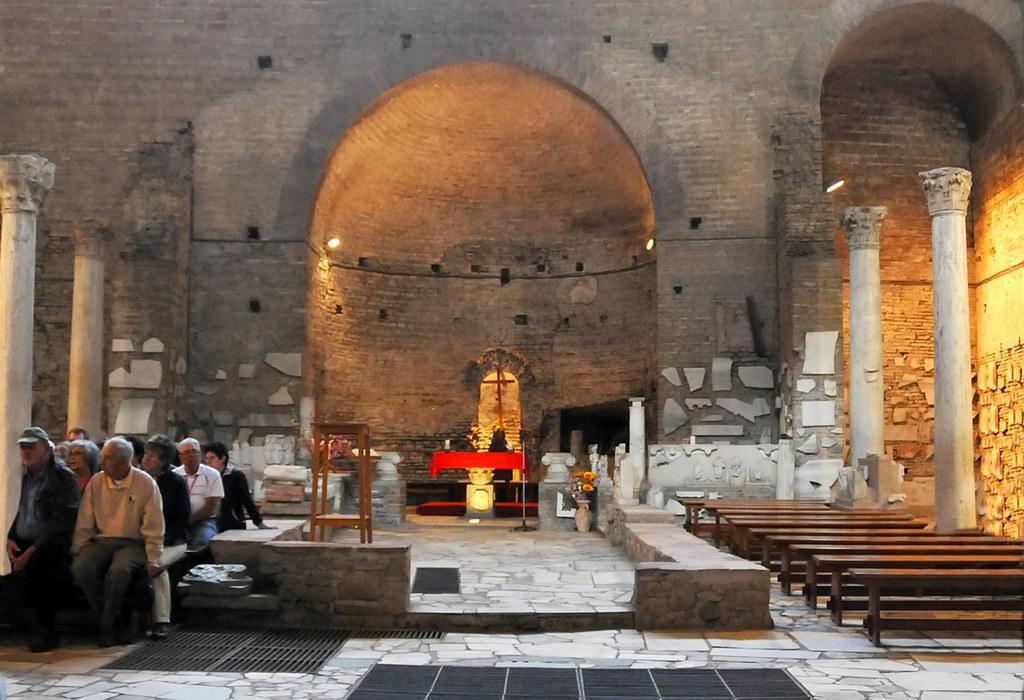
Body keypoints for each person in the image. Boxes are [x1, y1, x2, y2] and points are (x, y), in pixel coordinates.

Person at [71, 436, 164, 647]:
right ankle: (111, 618)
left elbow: (154, 524)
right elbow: (85, 519)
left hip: (133, 542)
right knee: (81, 567)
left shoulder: (145, 483)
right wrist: (80, 548)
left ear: (123, 461)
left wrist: (153, 556)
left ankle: (107, 626)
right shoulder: (96, 482)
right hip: (103, 541)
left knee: (119, 571)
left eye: (107, 458)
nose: (102, 462)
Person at [5, 427, 80, 652]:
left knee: (40, 570)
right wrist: (9, 538)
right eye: (23, 447)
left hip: (50, 544)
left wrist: (33, 550)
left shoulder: (62, 478)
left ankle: (46, 632)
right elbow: (14, 509)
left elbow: (61, 521)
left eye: (31, 447)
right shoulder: (19, 477)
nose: (26, 452)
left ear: (46, 449)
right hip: (22, 540)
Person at [140, 434, 189, 639]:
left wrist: (159, 543)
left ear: (164, 460)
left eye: (152, 456)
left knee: (157, 564)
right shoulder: (139, 479)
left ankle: (161, 621)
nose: (146, 459)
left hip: (172, 541)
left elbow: (181, 519)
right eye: (146, 454)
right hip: (143, 540)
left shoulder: (176, 482)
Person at [203, 441, 270, 532]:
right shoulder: (205, 476)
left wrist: (259, 522)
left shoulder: (235, 476)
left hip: (232, 523)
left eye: (212, 458)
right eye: (206, 458)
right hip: (209, 523)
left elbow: (247, 500)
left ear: (222, 459)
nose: (208, 462)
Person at [173, 438, 224, 548]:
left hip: (204, 521)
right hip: (177, 522)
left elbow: (211, 507)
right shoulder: (174, 475)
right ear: (180, 457)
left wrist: (189, 520)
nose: (191, 455)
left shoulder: (212, 474)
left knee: (203, 541)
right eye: (186, 452)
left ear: (200, 455)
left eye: (194, 451)